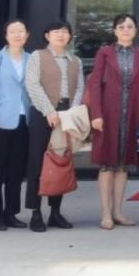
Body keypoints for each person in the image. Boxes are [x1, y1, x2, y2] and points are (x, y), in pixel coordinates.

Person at [86, 14, 139, 230]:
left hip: (132, 114)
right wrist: (96, 113)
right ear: (114, 31)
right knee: (107, 164)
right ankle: (105, 214)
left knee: (123, 165)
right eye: (121, 27)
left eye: (130, 26)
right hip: (108, 115)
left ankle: (118, 212)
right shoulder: (105, 53)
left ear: (135, 30)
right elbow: (94, 84)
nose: (126, 30)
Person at [24, 19, 85, 232]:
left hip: (66, 115)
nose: (61, 35)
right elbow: (32, 84)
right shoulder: (37, 56)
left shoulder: (75, 60)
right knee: (37, 163)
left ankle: (55, 213)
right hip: (43, 114)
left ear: (69, 36)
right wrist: (49, 110)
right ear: (47, 35)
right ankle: (35, 213)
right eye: (56, 31)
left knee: (60, 161)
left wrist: (70, 113)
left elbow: (80, 88)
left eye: (65, 31)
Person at [0, 19, 31, 231]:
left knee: (16, 170)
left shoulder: (32, 59)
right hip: (0, 119)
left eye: (21, 31)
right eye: (13, 31)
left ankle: (11, 213)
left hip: (24, 119)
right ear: (6, 36)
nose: (17, 35)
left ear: (27, 35)